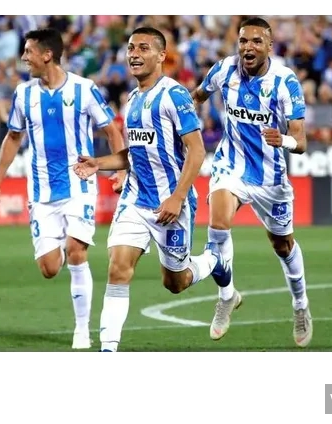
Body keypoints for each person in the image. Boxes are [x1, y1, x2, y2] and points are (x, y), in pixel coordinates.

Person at [73, 27, 233, 352]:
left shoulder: (174, 95)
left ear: (161, 56)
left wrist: (177, 197)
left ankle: (214, 260)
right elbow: (133, 154)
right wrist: (99, 163)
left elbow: (197, 150)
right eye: (131, 48)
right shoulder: (132, 99)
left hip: (171, 204)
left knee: (176, 282)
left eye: (143, 48)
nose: (134, 54)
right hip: (135, 200)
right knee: (118, 268)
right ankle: (108, 349)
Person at [0, 28, 125, 350]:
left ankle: (82, 330)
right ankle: (60, 242)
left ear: (47, 55)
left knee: (77, 250)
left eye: (28, 52)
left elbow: (111, 131)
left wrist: (119, 170)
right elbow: (13, 138)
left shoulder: (84, 89)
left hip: (79, 183)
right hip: (42, 190)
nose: (24, 58)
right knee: (49, 268)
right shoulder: (24, 94)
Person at [190, 17, 313, 347]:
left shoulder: (285, 82)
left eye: (257, 41)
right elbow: (197, 96)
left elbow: (301, 142)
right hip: (230, 165)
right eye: (243, 40)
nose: (248, 46)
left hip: (270, 178)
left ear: (269, 46)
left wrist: (283, 140)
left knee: (283, 245)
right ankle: (226, 295)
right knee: (217, 225)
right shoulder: (223, 70)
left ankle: (300, 305)